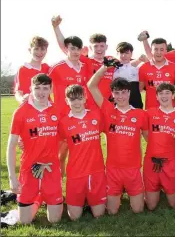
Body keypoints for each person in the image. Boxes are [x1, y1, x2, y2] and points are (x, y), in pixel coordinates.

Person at [87, 61, 148, 214]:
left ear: (129, 93)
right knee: (112, 211)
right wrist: (104, 67)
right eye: (117, 93)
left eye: (123, 92)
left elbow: (149, 139)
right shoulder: (108, 110)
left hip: (133, 169)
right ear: (112, 94)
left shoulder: (140, 114)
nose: (120, 96)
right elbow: (91, 86)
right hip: (113, 169)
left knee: (138, 209)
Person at [7, 74, 63, 224]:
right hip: (29, 168)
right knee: (25, 222)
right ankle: (38, 198)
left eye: (45, 88)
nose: (41, 92)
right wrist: (12, 177)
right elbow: (11, 145)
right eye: (37, 88)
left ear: (51, 89)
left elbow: (66, 135)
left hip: (51, 168)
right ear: (31, 89)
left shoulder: (57, 110)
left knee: (55, 220)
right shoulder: (21, 112)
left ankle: (44, 194)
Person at [58, 84, 106, 220]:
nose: (76, 102)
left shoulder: (96, 115)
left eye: (79, 98)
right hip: (75, 173)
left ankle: (91, 201)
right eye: (72, 99)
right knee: (74, 217)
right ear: (67, 101)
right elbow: (53, 141)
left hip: (96, 171)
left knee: (99, 215)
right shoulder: (64, 123)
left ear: (85, 99)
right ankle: (84, 202)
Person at [48, 35, 94, 175]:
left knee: (79, 153)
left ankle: (83, 183)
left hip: (80, 118)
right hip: (62, 118)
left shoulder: (85, 66)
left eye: (78, 49)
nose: (75, 51)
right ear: (65, 49)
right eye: (72, 48)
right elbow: (43, 88)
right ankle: (56, 187)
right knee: (59, 155)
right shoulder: (57, 67)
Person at [143, 83, 175, 210]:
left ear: (172, 95)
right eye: (161, 93)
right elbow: (145, 134)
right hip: (151, 160)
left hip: (170, 162)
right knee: (151, 206)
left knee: (174, 204)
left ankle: (168, 190)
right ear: (156, 97)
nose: (164, 96)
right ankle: (152, 191)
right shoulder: (149, 113)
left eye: (167, 93)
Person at [139, 38, 175, 110]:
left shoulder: (174, 67)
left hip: (170, 111)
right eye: (156, 49)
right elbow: (139, 89)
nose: (159, 52)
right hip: (151, 110)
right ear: (151, 51)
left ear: (166, 51)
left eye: (161, 49)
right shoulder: (143, 67)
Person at [14, 36, 50, 104]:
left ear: (46, 51)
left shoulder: (47, 68)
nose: (39, 52)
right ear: (30, 50)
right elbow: (18, 91)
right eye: (36, 49)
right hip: (29, 108)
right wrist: (21, 99)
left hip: (46, 108)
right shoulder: (23, 69)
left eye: (42, 49)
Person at [112, 42, 146, 109]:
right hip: (119, 103)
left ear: (131, 54)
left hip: (135, 102)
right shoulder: (112, 68)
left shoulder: (138, 67)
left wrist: (141, 59)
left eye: (127, 53)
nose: (124, 56)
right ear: (117, 53)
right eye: (121, 53)